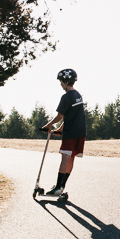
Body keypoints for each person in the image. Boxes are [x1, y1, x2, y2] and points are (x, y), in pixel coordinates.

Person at [39, 68, 86, 197]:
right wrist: (60, 129)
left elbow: (60, 116)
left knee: (65, 157)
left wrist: (47, 126)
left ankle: (58, 187)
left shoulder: (65, 97)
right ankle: (61, 186)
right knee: (71, 157)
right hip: (81, 132)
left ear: (65, 81)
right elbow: (72, 116)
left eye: (61, 82)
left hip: (70, 133)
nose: (60, 84)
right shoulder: (78, 95)